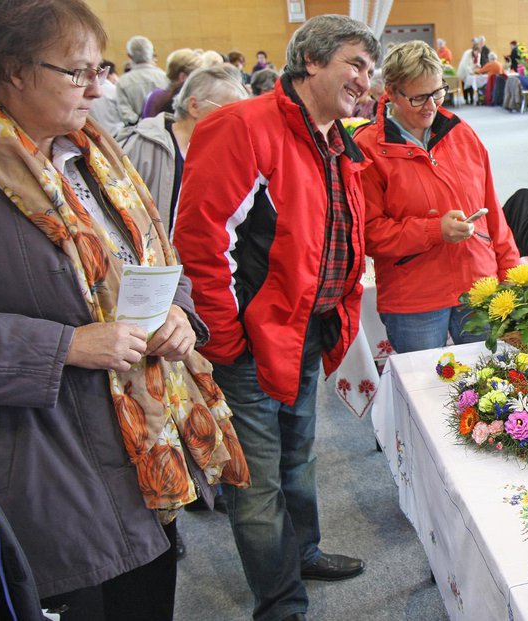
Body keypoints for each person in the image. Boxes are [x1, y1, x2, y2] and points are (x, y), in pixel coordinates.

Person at [0, 1, 250, 619]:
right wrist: (68, 346)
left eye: (98, 69)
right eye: (76, 72)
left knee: (149, 598)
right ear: (13, 71)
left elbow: (153, 257)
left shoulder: (94, 153)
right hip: (51, 464)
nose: (97, 87)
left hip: (146, 449)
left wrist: (181, 313)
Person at [174, 15, 380, 621]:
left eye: (370, 70)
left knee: (299, 457)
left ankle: (304, 552)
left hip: (304, 333)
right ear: (311, 62)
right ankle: (280, 601)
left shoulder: (335, 138)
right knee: (258, 482)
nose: (365, 81)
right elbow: (202, 240)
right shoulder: (242, 126)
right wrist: (229, 338)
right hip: (252, 343)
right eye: (355, 65)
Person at [353, 41, 519, 353]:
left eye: (437, 92)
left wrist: (510, 272)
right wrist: (433, 231)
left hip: (479, 286)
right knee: (423, 388)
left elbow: (492, 210)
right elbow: (367, 233)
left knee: (491, 388)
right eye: (418, 97)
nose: (431, 105)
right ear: (390, 92)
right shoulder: (368, 148)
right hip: (416, 298)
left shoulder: (461, 132)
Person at [120, 66, 247, 234]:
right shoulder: (144, 145)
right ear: (194, 106)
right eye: (229, 112)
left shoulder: (224, 152)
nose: (238, 124)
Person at [116, 35, 168, 125]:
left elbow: (126, 114)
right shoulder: (165, 77)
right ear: (152, 53)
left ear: (129, 56)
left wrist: (142, 124)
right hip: (165, 128)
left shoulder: (122, 82)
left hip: (138, 132)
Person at [141, 48, 203, 119]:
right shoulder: (158, 99)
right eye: (196, 77)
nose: (201, 82)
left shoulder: (154, 97)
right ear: (182, 77)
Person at [88, 59, 123, 136]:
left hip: (97, 137)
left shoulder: (87, 91)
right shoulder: (115, 90)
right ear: (109, 74)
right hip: (118, 135)